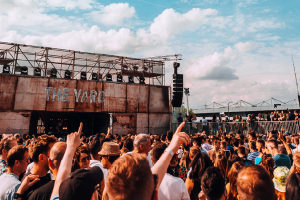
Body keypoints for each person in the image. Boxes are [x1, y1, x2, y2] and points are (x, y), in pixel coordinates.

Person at [23, 135, 57, 200]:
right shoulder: (30, 185)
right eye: (54, 153)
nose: (57, 157)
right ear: (41, 158)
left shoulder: (47, 177)